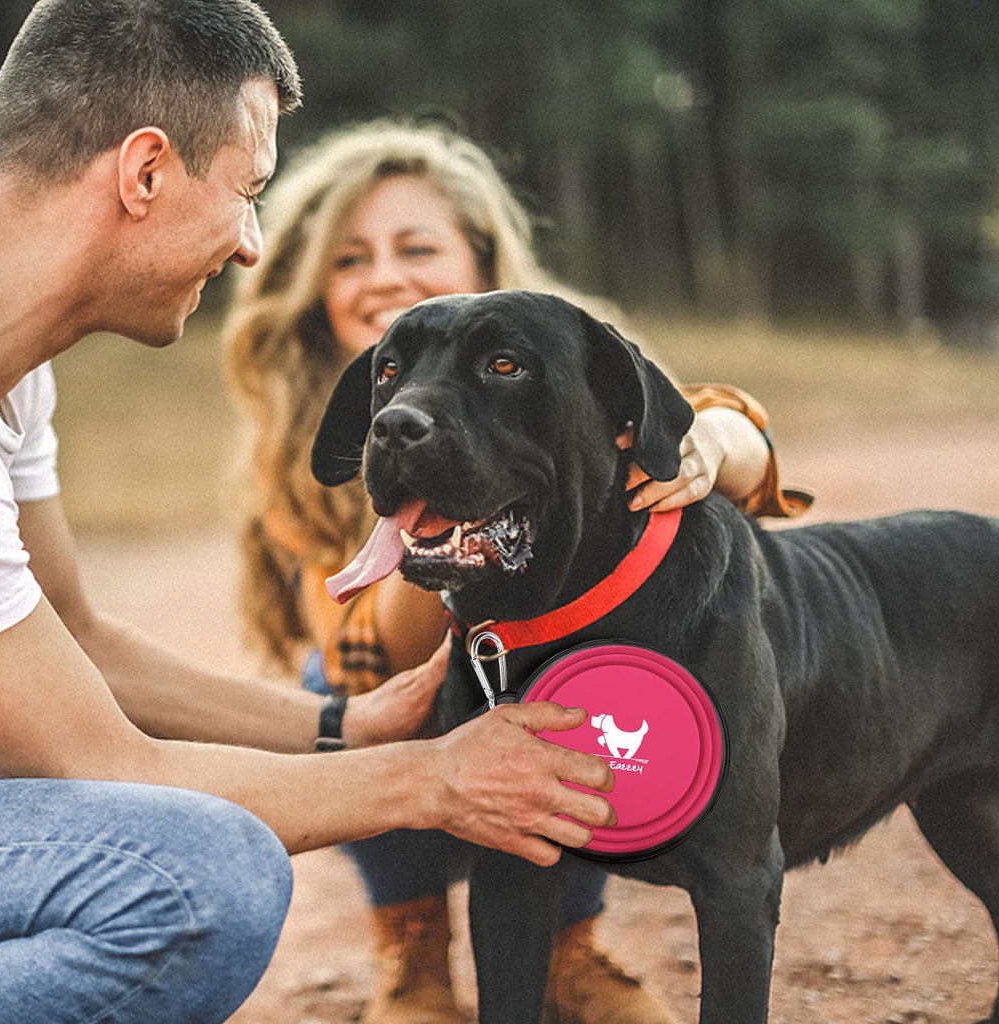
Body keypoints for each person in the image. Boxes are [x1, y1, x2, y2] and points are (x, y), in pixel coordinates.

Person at [0, 5, 623, 1023]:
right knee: (197, 877)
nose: (250, 245)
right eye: (248, 192)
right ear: (145, 172)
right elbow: (103, 763)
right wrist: (434, 778)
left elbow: (78, 638)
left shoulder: (15, 371)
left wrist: (344, 725)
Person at [225, 118, 810, 1024]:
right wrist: (438, 527)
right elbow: (359, 651)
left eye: (417, 247)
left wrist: (721, 437)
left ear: (482, 253)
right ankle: (415, 948)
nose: (385, 276)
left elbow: (703, 431)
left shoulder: (552, 351)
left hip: (567, 674)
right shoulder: (310, 434)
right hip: (412, 699)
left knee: (591, 661)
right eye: (350, 259)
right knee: (338, 683)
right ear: (312, 288)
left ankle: (567, 949)